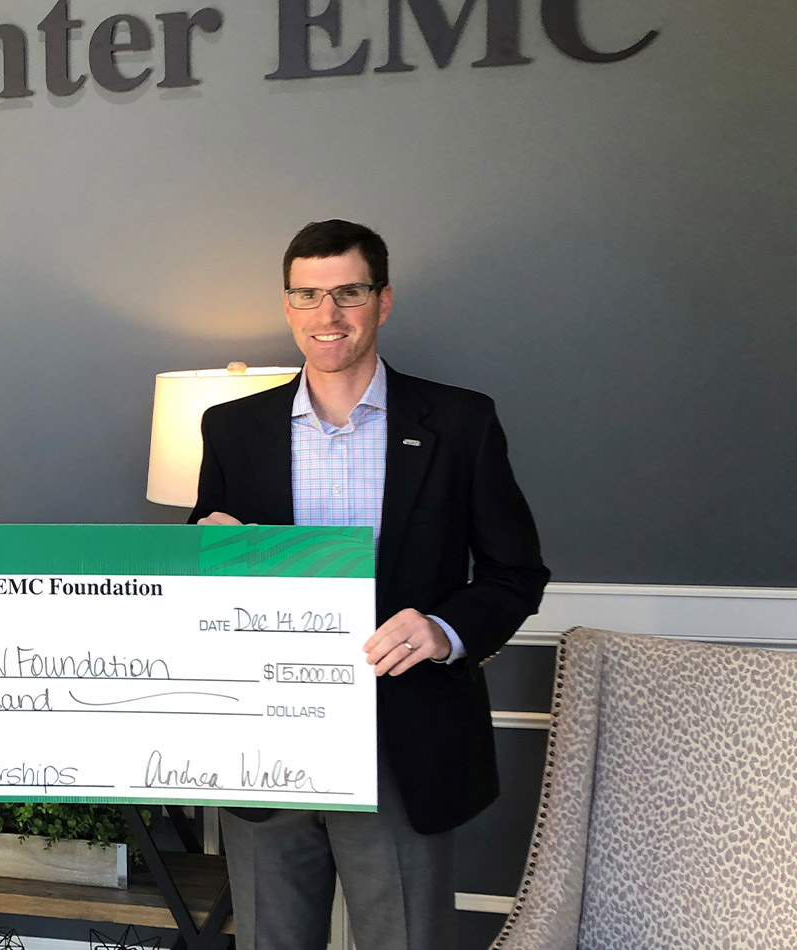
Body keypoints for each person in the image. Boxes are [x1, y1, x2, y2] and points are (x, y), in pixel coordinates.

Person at [189, 220, 550, 949]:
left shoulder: (460, 421)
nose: (329, 316)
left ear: (382, 302)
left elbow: (517, 573)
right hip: (266, 745)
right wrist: (203, 554)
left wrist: (444, 630)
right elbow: (209, 585)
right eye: (308, 296)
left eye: (348, 293)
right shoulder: (231, 429)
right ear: (288, 306)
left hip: (402, 737)